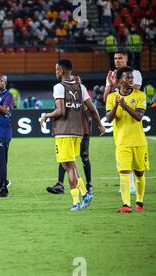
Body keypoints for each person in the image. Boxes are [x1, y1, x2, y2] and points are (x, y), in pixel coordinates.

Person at [40, 59, 105, 211]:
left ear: (62, 71)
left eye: (56, 69)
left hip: (64, 131)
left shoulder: (58, 87)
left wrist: (46, 116)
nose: (55, 72)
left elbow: (60, 111)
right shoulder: (81, 87)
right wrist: (100, 125)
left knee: (67, 166)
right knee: (71, 164)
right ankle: (85, 193)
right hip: (78, 131)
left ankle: (76, 201)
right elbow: (93, 109)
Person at [105, 66, 149, 213]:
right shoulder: (112, 98)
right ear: (119, 81)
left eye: (132, 77)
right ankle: (126, 205)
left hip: (139, 142)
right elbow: (109, 118)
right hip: (122, 143)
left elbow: (139, 117)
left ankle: (140, 202)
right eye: (127, 77)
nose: (131, 80)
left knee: (139, 173)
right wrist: (117, 105)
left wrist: (125, 106)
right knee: (123, 172)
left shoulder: (140, 95)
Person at [47, 74, 94, 195]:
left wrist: (46, 116)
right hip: (70, 131)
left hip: (80, 130)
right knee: (67, 161)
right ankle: (61, 184)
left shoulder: (81, 96)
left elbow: (90, 111)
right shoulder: (66, 94)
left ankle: (87, 188)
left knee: (81, 158)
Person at [103, 51, 142, 195]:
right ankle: (129, 185)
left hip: (132, 115)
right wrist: (112, 85)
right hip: (119, 118)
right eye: (115, 58)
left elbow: (134, 91)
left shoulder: (135, 73)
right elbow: (106, 98)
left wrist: (117, 88)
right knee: (122, 153)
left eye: (120, 58)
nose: (117, 61)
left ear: (126, 59)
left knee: (134, 156)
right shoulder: (112, 75)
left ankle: (135, 185)